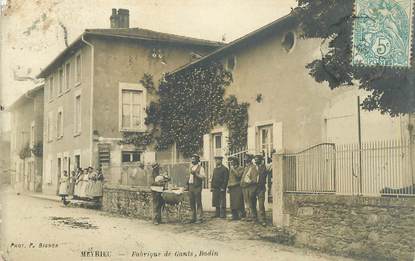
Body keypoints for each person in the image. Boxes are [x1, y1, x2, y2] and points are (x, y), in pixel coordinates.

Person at [187, 154, 206, 223]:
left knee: (198, 202)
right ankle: (193, 217)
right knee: (191, 202)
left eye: (194, 159)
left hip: (197, 187)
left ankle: (199, 218)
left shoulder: (201, 168)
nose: (192, 160)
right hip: (191, 186)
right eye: (192, 159)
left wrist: (196, 174)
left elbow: (203, 178)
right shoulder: (191, 167)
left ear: (197, 160)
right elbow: (189, 178)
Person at [240, 154, 258, 221]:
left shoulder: (253, 167)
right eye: (245, 158)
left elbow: (254, 180)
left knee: (251, 203)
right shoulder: (246, 167)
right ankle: (248, 215)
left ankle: (253, 216)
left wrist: (248, 183)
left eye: (246, 158)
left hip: (249, 188)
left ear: (250, 159)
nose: (245, 159)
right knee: (247, 203)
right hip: (244, 188)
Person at [227, 156, 246, 220]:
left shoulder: (241, 168)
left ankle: (242, 215)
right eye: (230, 161)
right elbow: (229, 178)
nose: (231, 163)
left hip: (238, 186)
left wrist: (233, 170)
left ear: (235, 161)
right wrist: (228, 187)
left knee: (239, 201)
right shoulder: (231, 168)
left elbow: (239, 176)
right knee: (233, 203)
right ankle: (234, 216)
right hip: (232, 187)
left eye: (232, 161)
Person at [254, 154, 269, 226]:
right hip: (253, 188)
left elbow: (263, 176)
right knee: (252, 203)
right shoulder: (253, 167)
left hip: (261, 188)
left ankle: (262, 219)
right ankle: (255, 218)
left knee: (261, 204)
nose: (256, 160)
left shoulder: (263, 167)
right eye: (255, 159)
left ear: (260, 160)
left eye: (257, 159)